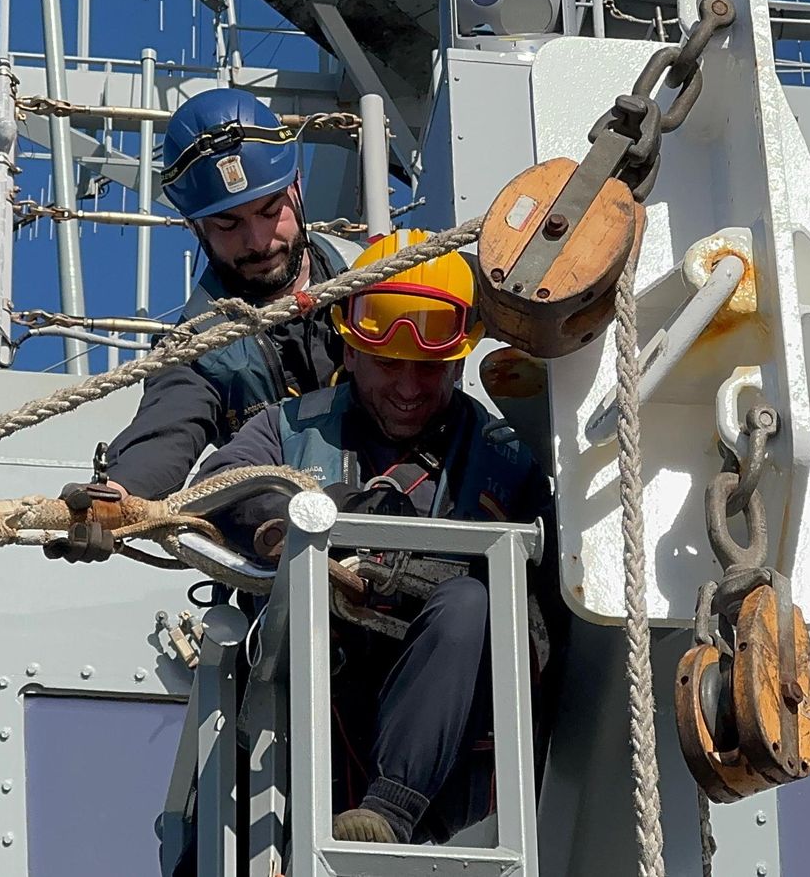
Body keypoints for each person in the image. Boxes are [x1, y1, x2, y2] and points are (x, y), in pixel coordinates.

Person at [192, 230, 556, 846]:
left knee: (470, 603)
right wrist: (322, 514)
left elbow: (545, 619)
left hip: (447, 751)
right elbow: (224, 488)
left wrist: (418, 575)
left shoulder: (506, 463)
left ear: (461, 359)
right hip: (310, 720)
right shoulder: (290, 430)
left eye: (431, 369)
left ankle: (384, 820)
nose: (411, 389)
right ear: (351, 348)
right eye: (390, 363)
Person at [95, 88, 351, 506]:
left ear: (297, 187)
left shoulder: (375, 272)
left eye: (270, 211)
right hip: (287, 536)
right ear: (195, 228)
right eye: (228, 224)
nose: (258, 241)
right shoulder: (199, 350)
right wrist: (116, 494)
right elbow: (167, 431)